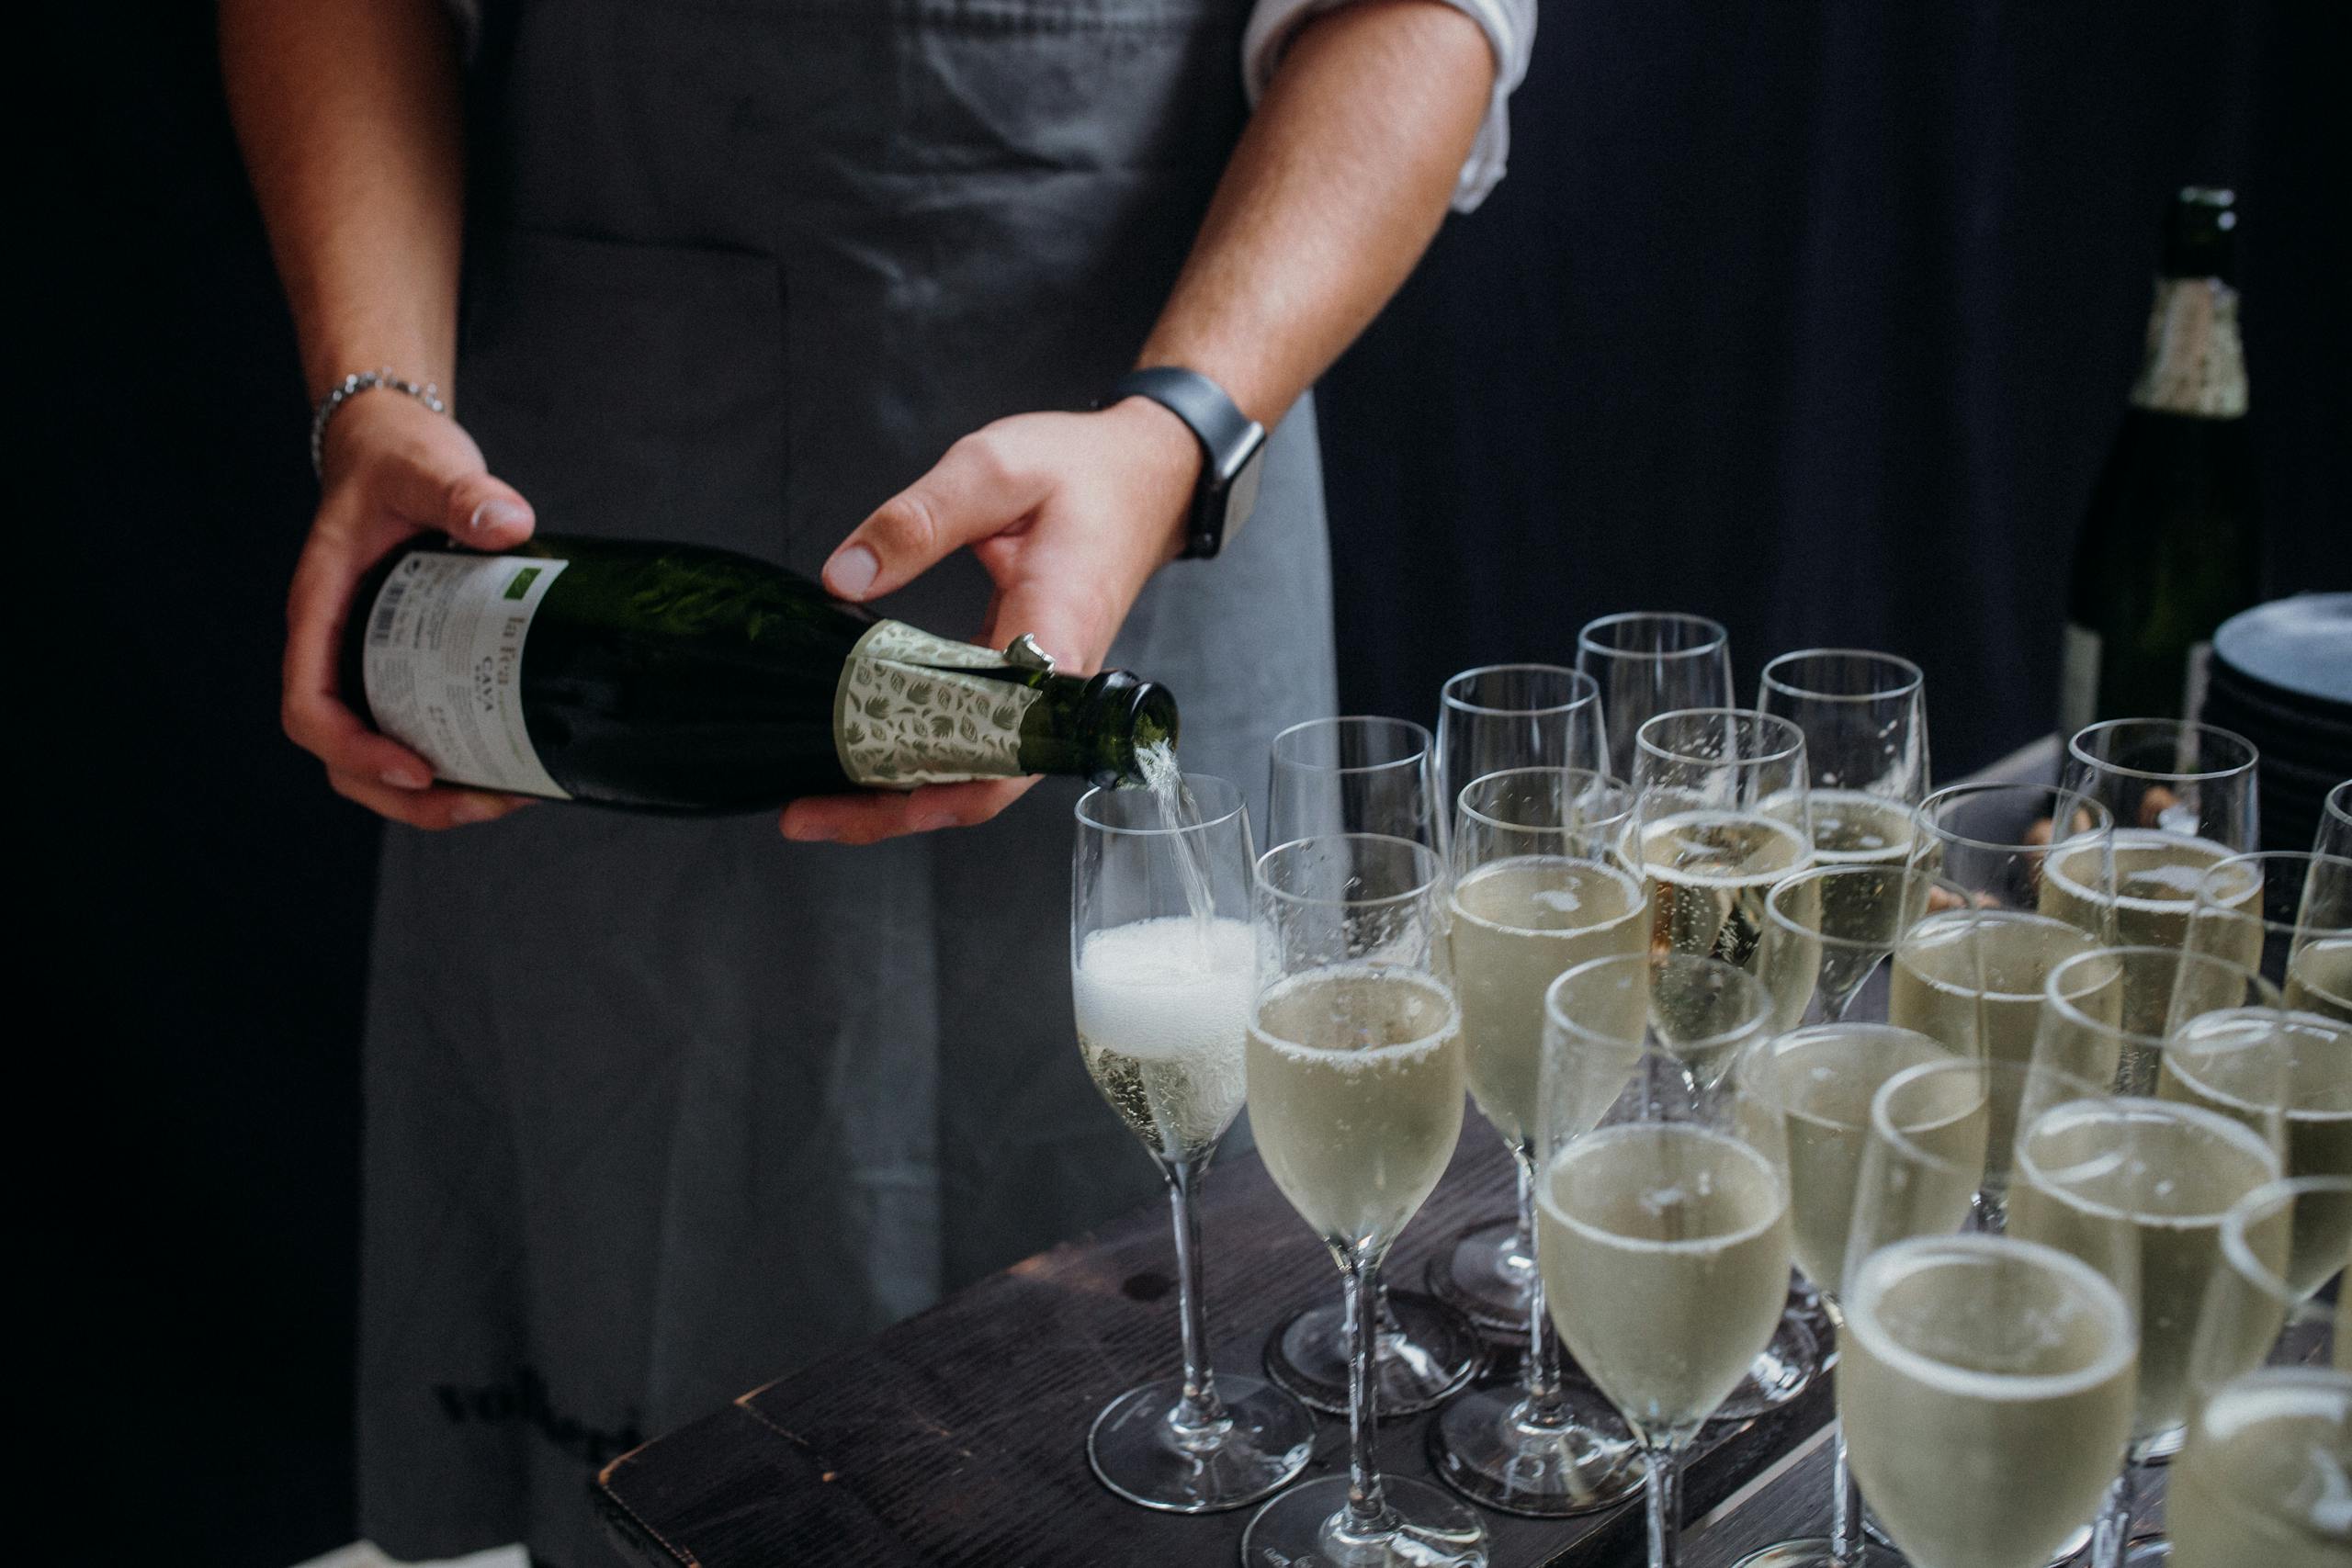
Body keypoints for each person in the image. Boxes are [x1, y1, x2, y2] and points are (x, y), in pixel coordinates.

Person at [220, 0, 1531, 1560]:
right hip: (603, 513)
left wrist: (1178, 428)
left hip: (1155, 462)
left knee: (1190, 1282)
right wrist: (377, 393)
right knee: (661, 1257)